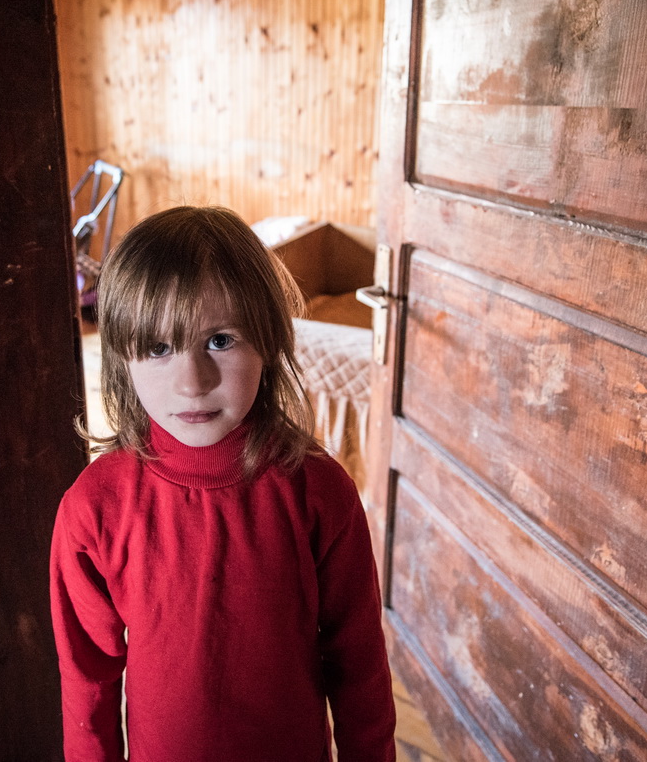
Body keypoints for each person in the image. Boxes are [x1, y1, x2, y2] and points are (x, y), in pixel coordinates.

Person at [50, 206, 396, 762]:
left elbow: (358, 664)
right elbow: (86, 679)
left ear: (269, 340)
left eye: (220, 340)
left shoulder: (320, 493)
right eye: (159, 348)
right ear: (122, 359)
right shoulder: (95, 508)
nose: (193, 383)